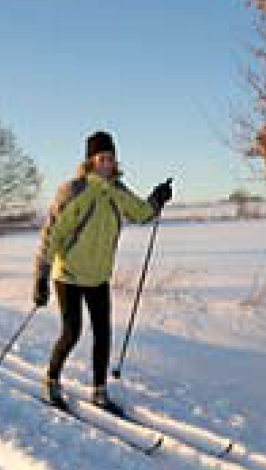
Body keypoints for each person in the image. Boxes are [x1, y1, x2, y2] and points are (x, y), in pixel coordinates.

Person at [33, 130, 172, 412]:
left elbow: (141, 213)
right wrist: (41, 276)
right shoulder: (73, 191)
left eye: (111, 158)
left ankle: (99, 391)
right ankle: (51, 379)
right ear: (90, 161)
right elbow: (51, 235)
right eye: (101, 158)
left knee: (103, 334)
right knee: (71, 332)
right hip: (68, 275)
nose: (107, 163)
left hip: (98, 277)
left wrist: (157, 199)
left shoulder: (117, 192)